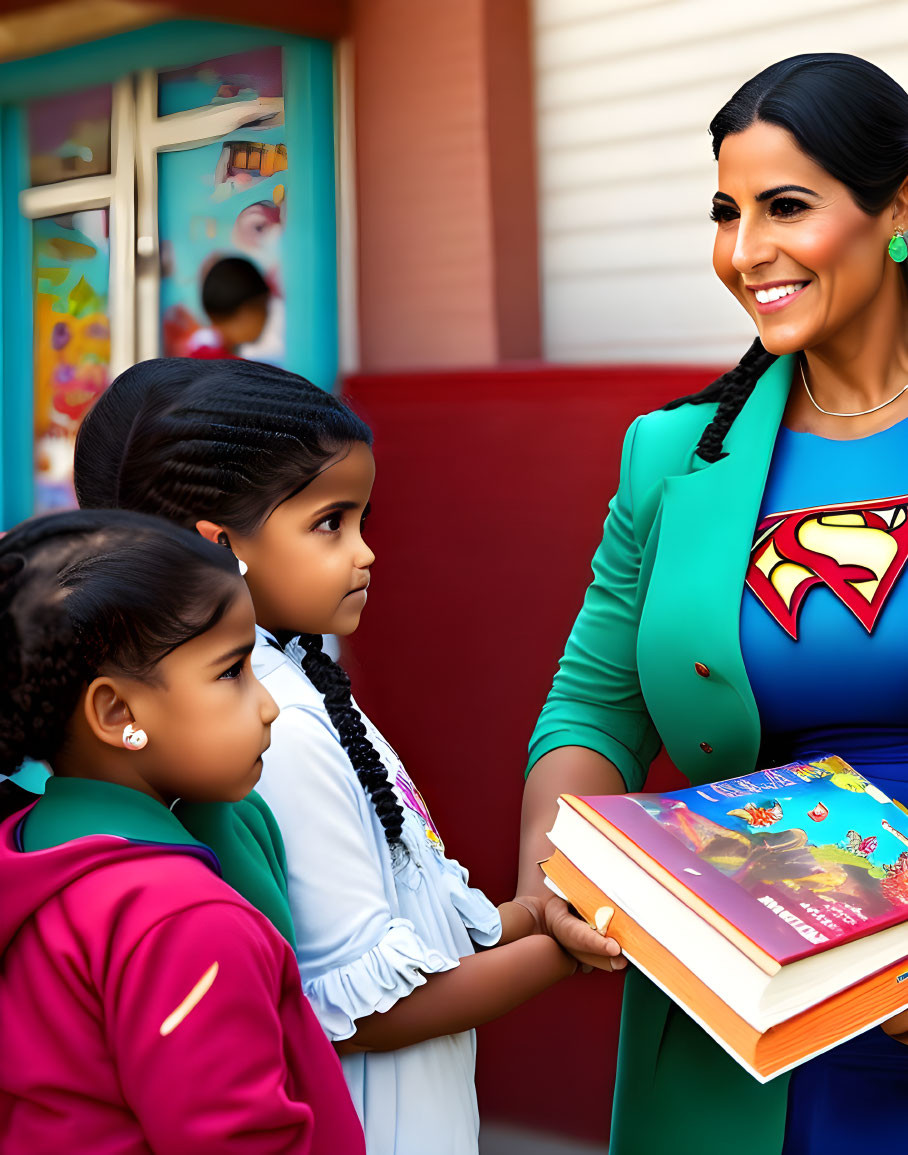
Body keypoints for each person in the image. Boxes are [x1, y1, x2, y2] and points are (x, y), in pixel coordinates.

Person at [519, 53, 908, 1155]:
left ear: (898, 210)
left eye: (785, 207)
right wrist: (558, 871)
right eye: (724, 213)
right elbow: (591, 710)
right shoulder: (671, 456)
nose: (743, 255)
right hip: (741, 1038)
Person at [73, 358, 588, 1155]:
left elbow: (413, 930)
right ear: (220, 546)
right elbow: (366, 1009)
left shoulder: (302, 682)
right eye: (329, 522)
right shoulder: (271, 725)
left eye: (360, 519)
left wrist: (539, 915)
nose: (365, 551)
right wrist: (563, 955)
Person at [0, 509, 365, 1153]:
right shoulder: (181, 919)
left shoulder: (32, 847)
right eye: (231, 672)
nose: (269, 704)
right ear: (118, 713)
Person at [187, 256, 271, 359]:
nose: (267, 315)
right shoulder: (237, 370)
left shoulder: (198, 355)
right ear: (247, 311)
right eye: (265, 305)